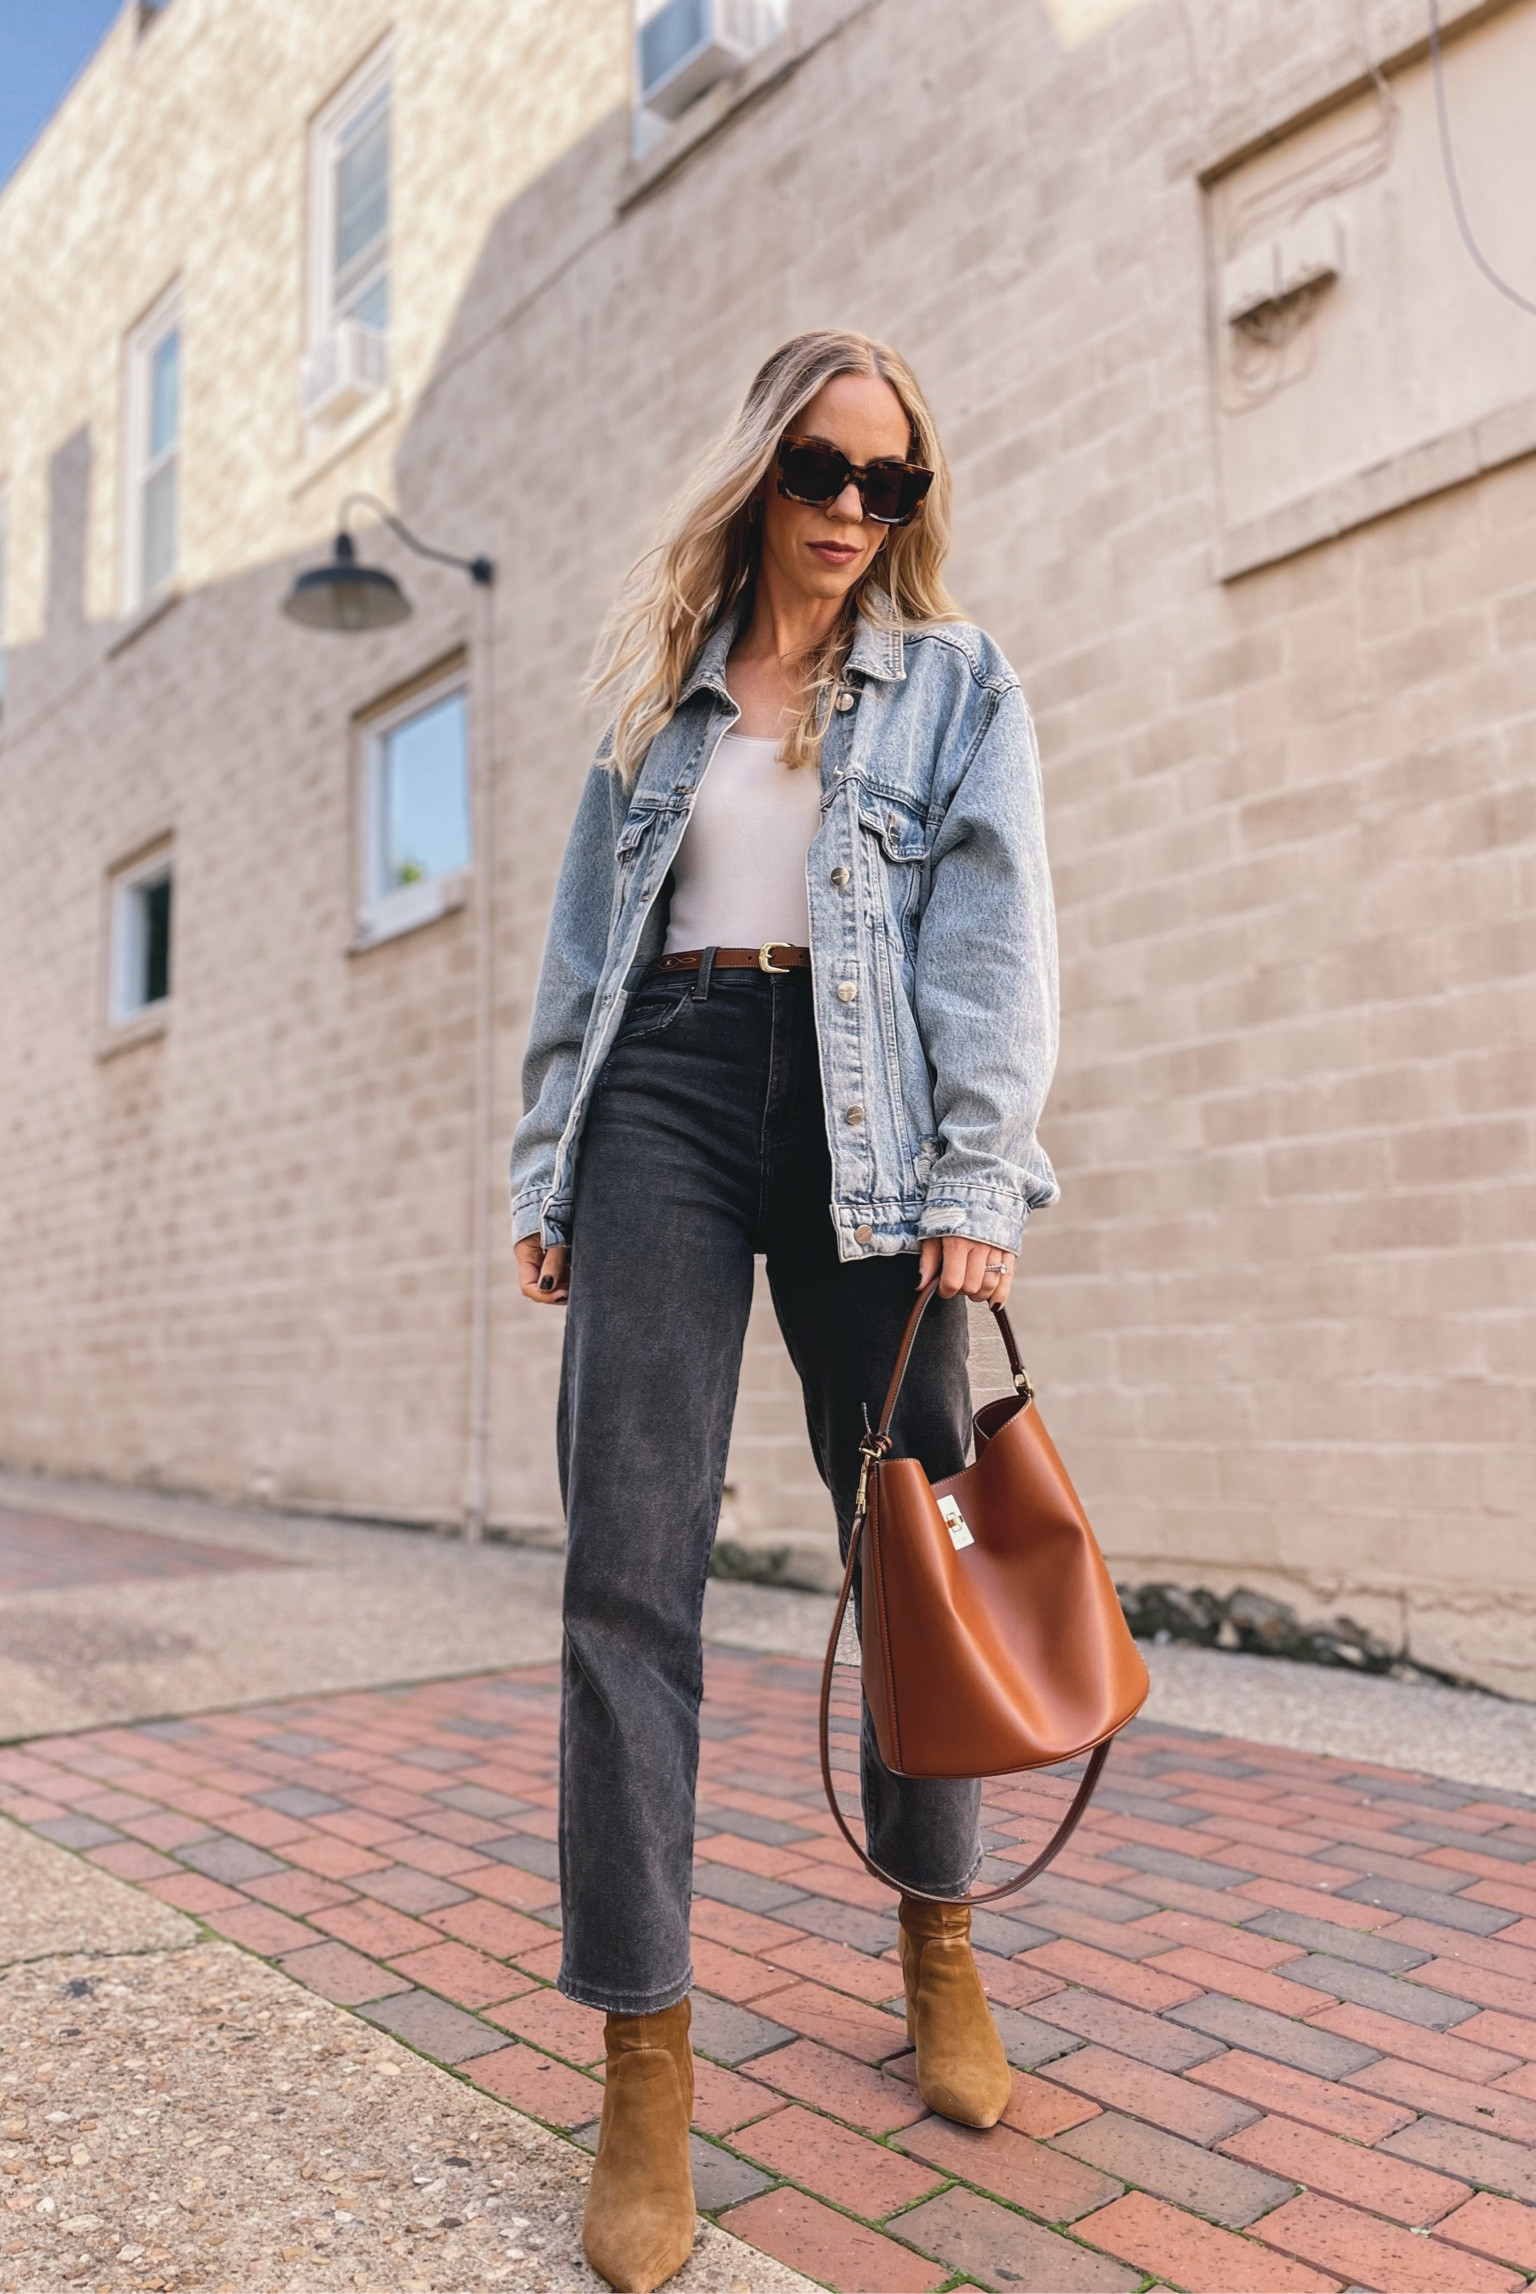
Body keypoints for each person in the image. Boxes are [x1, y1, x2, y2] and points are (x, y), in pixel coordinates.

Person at [510, 329, 1059, 2293]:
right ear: (761, 469)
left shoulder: (957, 681)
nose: (851, 512)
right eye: (823, 471)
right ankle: (644, 2070)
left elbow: (992, 933)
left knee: (910, 1533)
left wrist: (980, 1179)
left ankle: (938, 1939)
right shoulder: (660, 701)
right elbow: (585, 954)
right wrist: (546, 1168)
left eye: (889, 482)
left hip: (868, 1120)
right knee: (628, 1570)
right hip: (662, 1084)